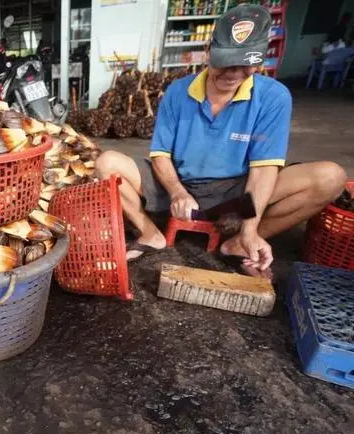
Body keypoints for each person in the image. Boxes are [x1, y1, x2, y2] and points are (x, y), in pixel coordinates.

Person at [95, 4, 347, 276]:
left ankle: (241, 242)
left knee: (330, 177)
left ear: (259, 61)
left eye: (246, 64)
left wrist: (250, 228)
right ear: (208, 52)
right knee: (107, 162)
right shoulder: (178, 92)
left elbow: (263, 168)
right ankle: (150, 233)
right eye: (225, 62)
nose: (233, 73)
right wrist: (178, 192)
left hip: (236, 192)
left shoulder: (274, 97)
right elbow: (161, 154)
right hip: (179, 185)